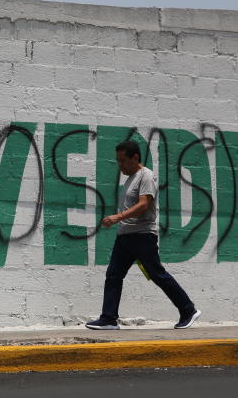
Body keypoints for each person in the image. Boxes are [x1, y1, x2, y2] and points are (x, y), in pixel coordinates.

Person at [86, 140, 201, 330]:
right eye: (118, 161)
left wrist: (117, 217)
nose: (120, 165)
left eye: (123, 161)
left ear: (135, 157)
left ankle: (188, 310)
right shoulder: (130, 179)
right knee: (113, 275)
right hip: (125, 237)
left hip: (142, 236)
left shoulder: (146, 176)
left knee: (157, 275)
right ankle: (108, 319)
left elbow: (143, 204)